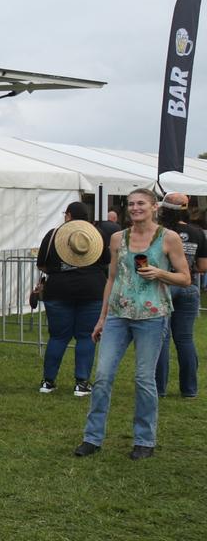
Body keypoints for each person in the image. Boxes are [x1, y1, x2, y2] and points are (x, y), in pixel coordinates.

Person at [74, 189, 192, 460]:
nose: (135, 208)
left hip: (152, 316)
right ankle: (92, 438)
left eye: (141, 204)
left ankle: (144, 440)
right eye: (131, 204)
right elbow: (112, 278)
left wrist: (160, 273)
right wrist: (102, 318)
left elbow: (185, 278)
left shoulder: (168, 238)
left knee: (144, 379)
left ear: (154, 207)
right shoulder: (118, 238)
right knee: (102, 376)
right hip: (118, 315)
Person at [34, 202, 107, 396]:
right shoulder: (98, 235)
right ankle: (81, 383)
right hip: (92, 290)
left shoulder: (53, 235)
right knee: (86, 336)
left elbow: (42, 265)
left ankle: (48, 382)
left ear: (68, 215)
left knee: (58, 337)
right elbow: (106, 262)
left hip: (58, 290)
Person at [155, 192, 206, 398]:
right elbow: (203, 266)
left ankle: (159, 389)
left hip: (164, 284)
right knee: (185, 339)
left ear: (163, 209)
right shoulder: (197, 232)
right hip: (189, 286)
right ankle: (189, 390)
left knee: (162, 339)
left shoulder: (159, 232)